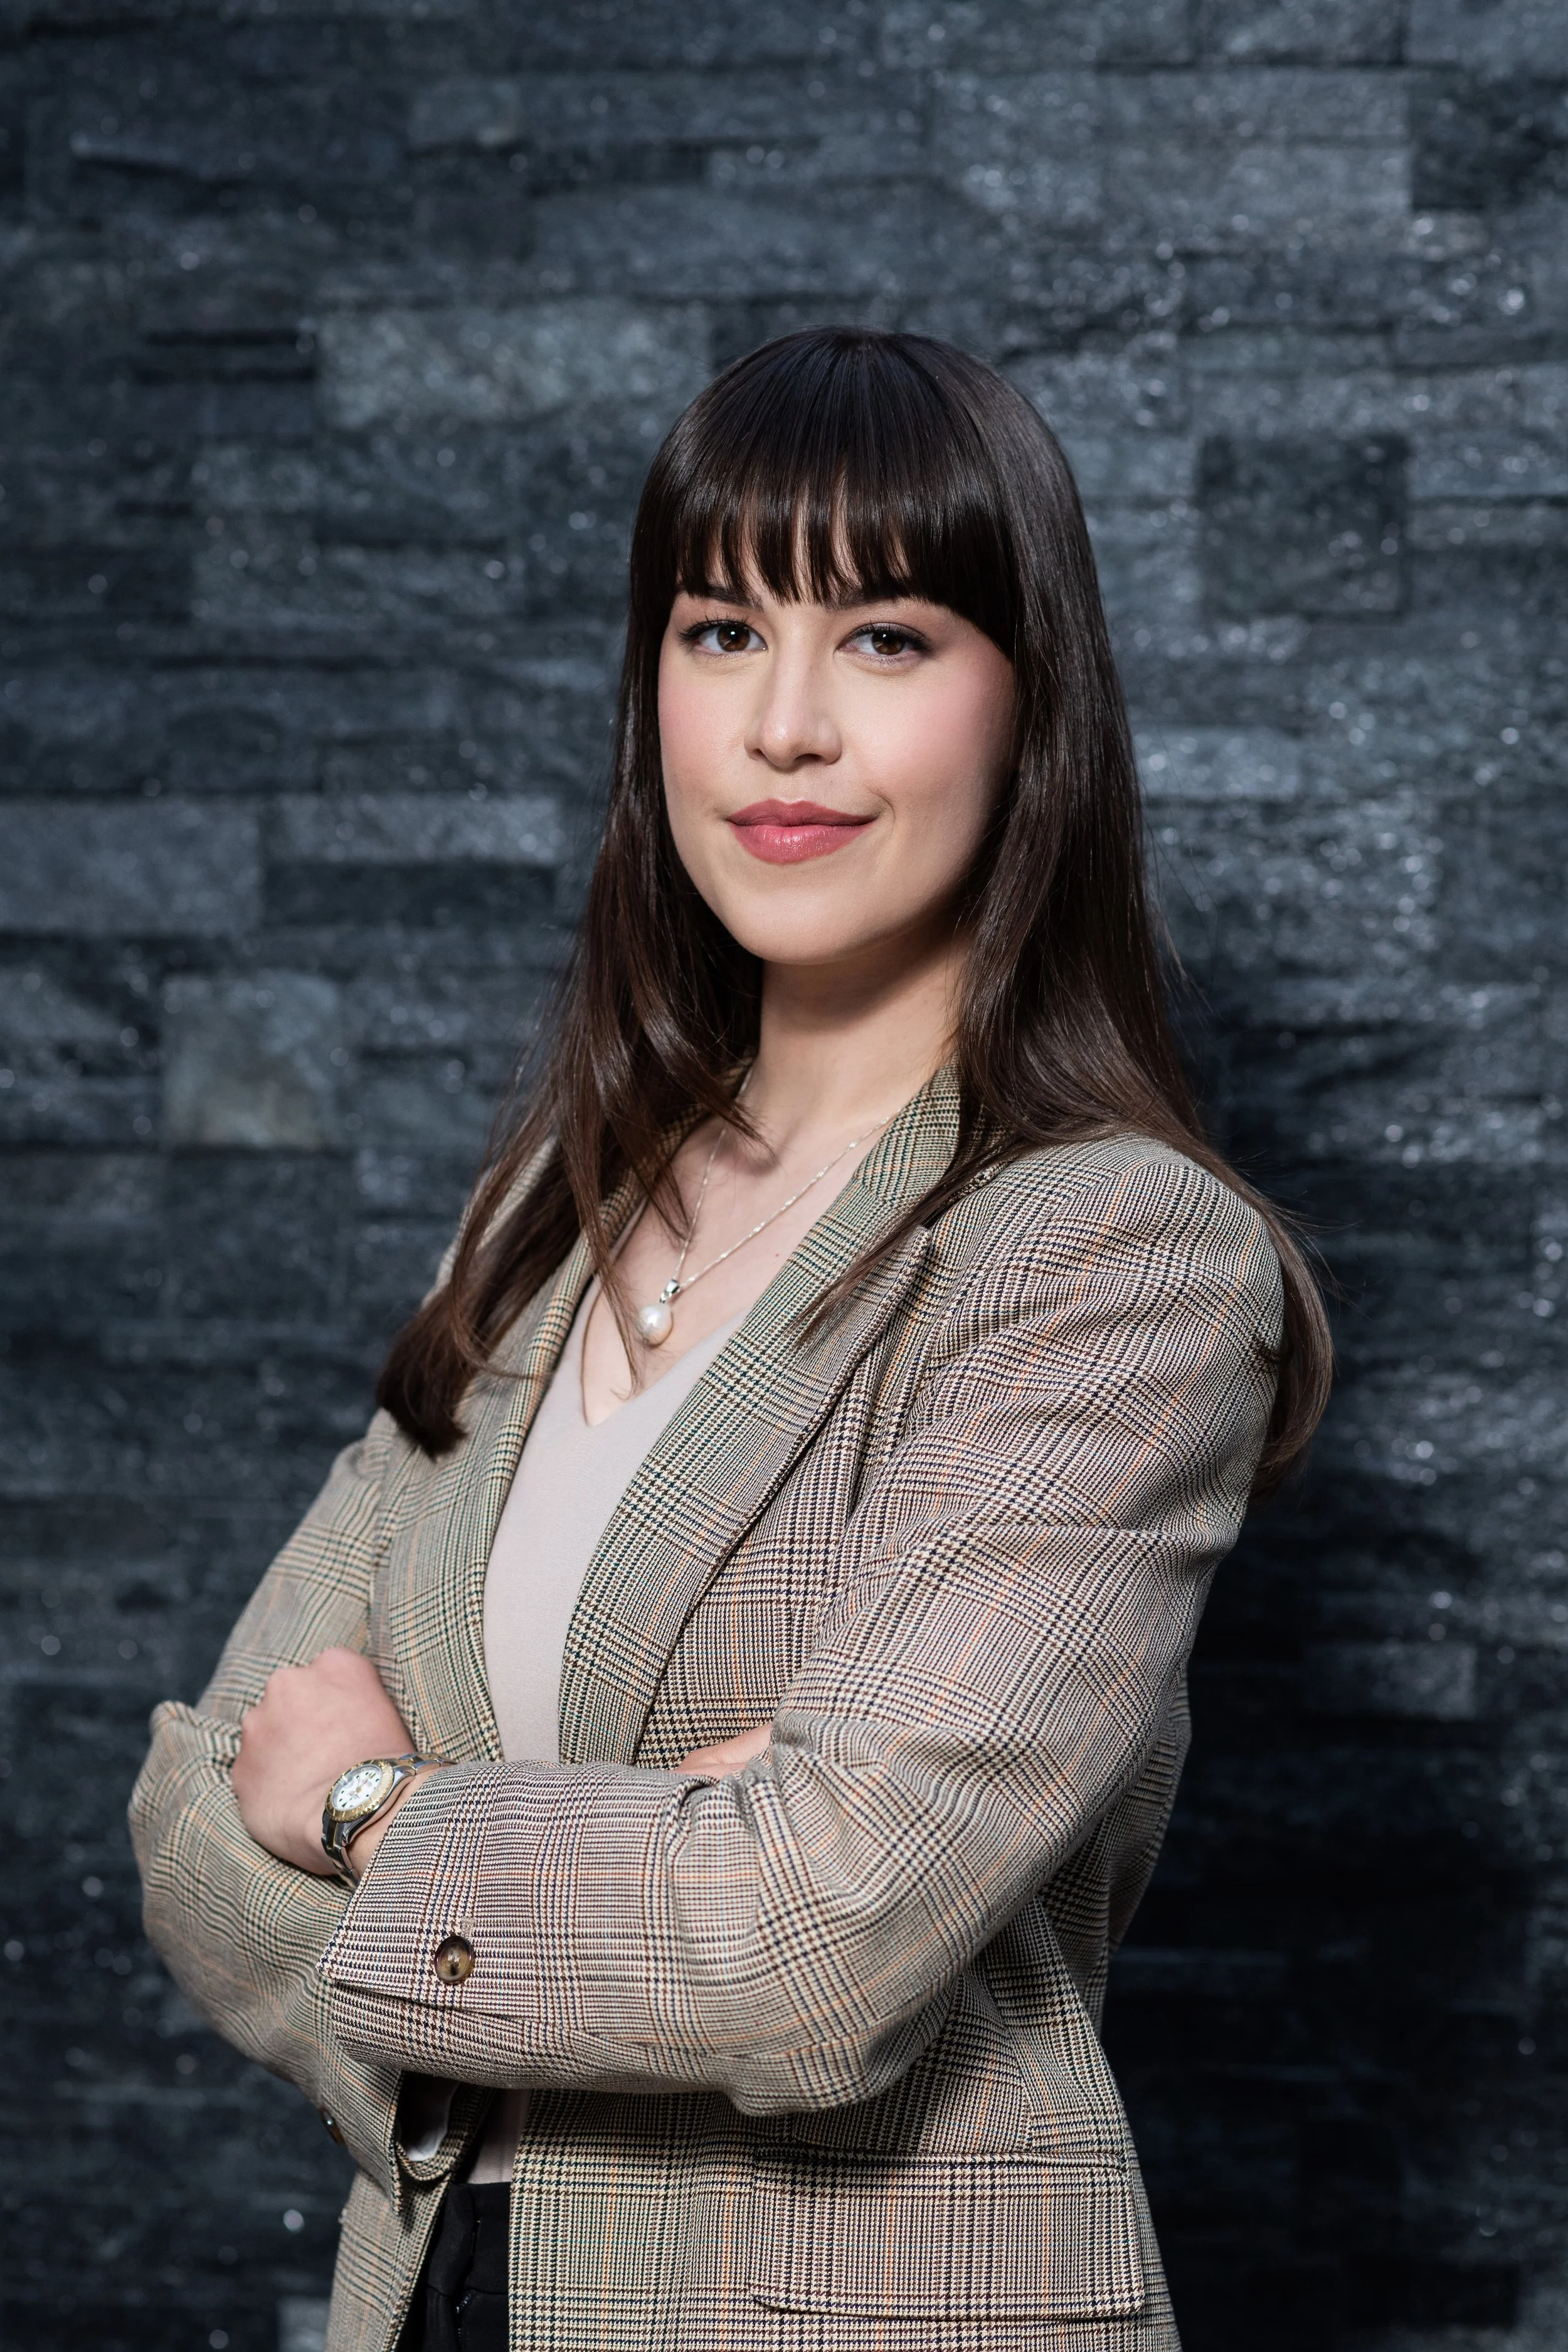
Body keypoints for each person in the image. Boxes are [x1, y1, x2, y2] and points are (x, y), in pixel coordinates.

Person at [132, 326, 1331, 2352]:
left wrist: (367, 1816)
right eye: (716, 630)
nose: (781, 725)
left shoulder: (1106, 1256)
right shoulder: (545, 1217)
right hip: (438, 2297)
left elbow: (820, 1929)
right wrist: (657, 1851)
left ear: (1027, 703)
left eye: (882, 637)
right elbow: (183, 1809)